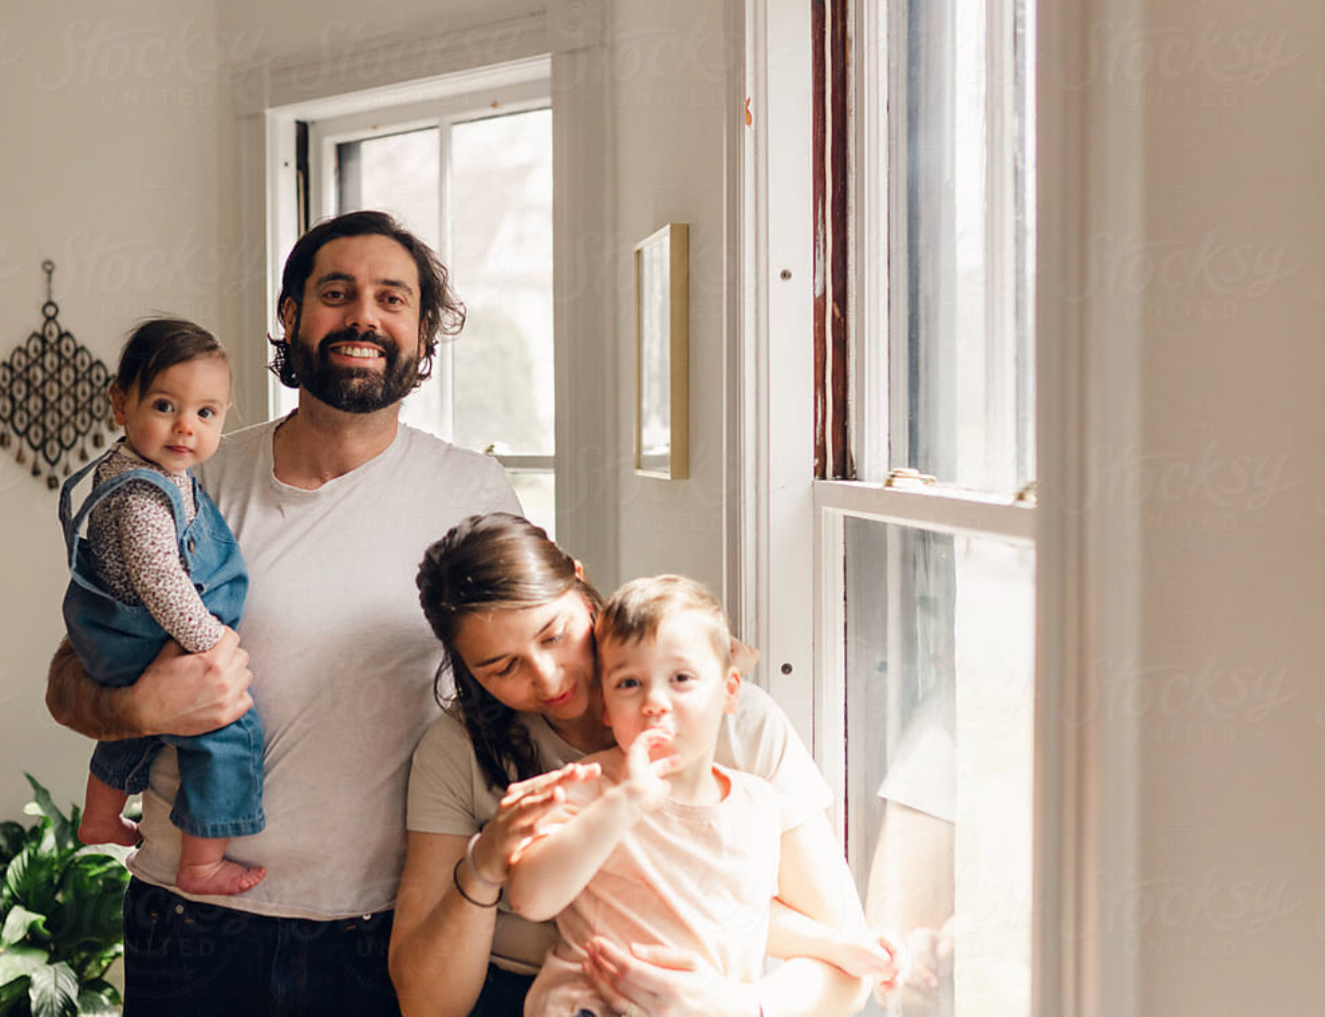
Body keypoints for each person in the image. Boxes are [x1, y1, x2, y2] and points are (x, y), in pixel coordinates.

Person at [45, 211, 522, 1016]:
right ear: (292, 317)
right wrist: (134, 705)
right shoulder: (189, 476)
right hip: (190, 923)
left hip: (387, 924)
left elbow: (545, 675)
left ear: (422, 331)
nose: (363, 315)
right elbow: (69, 677)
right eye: (336, 293)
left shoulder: (473, 494)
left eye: (392, 298)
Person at [392, 512, 891, 1017]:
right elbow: (427, 1004)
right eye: (503, 667)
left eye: (554, 635)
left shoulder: (738, 735)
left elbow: (844, 958)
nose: (547, 679)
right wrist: (485, 865)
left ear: (581, 586)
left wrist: (738, 1007)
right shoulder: (460, 751)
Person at [508, 575, 902, 1017]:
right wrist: (626, 802)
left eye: (680, 678)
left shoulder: (756, 805)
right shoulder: (586, 787)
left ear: (730, 691)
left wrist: (838, 946)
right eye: (629, 684)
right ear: (605, 708)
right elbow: (531, 896)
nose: (655, 701)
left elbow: (741, 914)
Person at [59, 318, 265, 897]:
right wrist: (210, 643)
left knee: (138, 729)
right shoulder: (144, 492)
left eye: (206, 413)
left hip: (119, 637)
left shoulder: (156, 474)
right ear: (120, 404)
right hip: (145, 630)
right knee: (223, 728)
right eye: (165, 405)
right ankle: (201, 862)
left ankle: (100, 817)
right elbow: (162, 582)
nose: (185, 427)